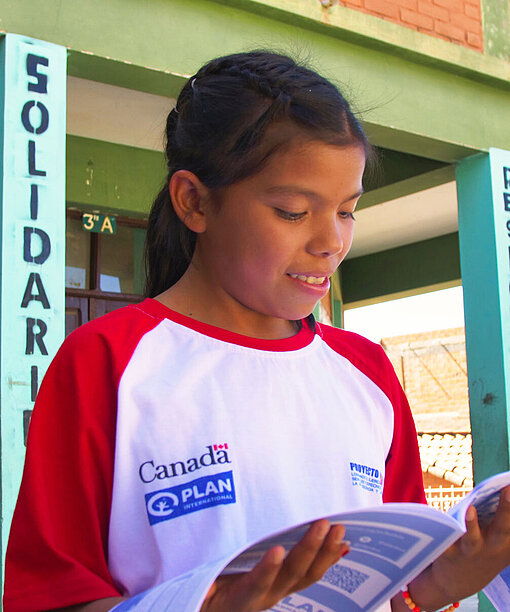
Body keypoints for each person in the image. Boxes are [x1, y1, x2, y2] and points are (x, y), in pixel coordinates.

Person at [4, 50, 510, 612]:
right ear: (194, 201)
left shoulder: (366, 372)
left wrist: (450, 579)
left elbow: (394, 594)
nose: (330, 242)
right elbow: (48, 598)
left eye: (346, 211)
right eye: (294, 211)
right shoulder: (109, 362)